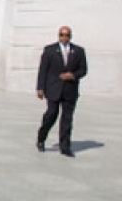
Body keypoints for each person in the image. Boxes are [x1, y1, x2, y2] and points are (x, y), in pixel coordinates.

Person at [36, 25, 88, 157]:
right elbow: (43, 70)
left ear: (70, 36)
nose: (64, 37)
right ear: (58, 35)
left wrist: (73, 75)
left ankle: (65, 147)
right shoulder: (50, 50)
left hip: (70, 91)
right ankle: (41, 138)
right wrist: (40, 88)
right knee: (51, 115)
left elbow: (83, 70)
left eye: (67, 35)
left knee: (67, 120)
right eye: (61, 34)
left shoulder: (79, 51)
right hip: (53, 89)